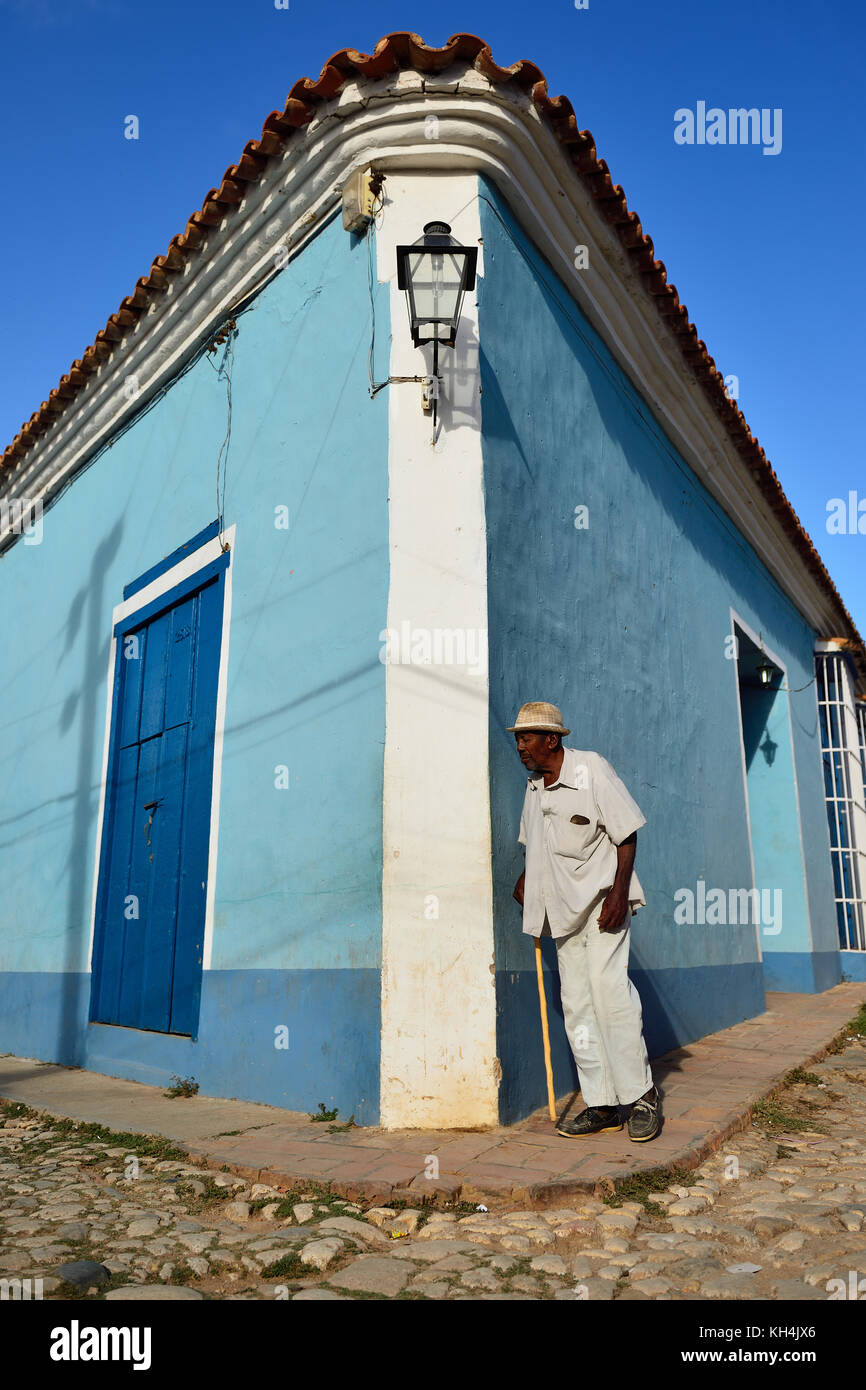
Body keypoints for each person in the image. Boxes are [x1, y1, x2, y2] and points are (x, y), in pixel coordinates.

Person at [509, 701, 660, 1141]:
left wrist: (618, 892)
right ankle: (603, 1103)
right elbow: (535, 842)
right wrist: (525, 878)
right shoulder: (535, 788)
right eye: (518, 738)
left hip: (601, 904)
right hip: (560, 910)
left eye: (527, 737)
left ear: (551, 740)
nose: (520, 746)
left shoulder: (591, 768)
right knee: (576, 1004)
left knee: (609, 995)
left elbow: (626, 833)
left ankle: (641, 1097)